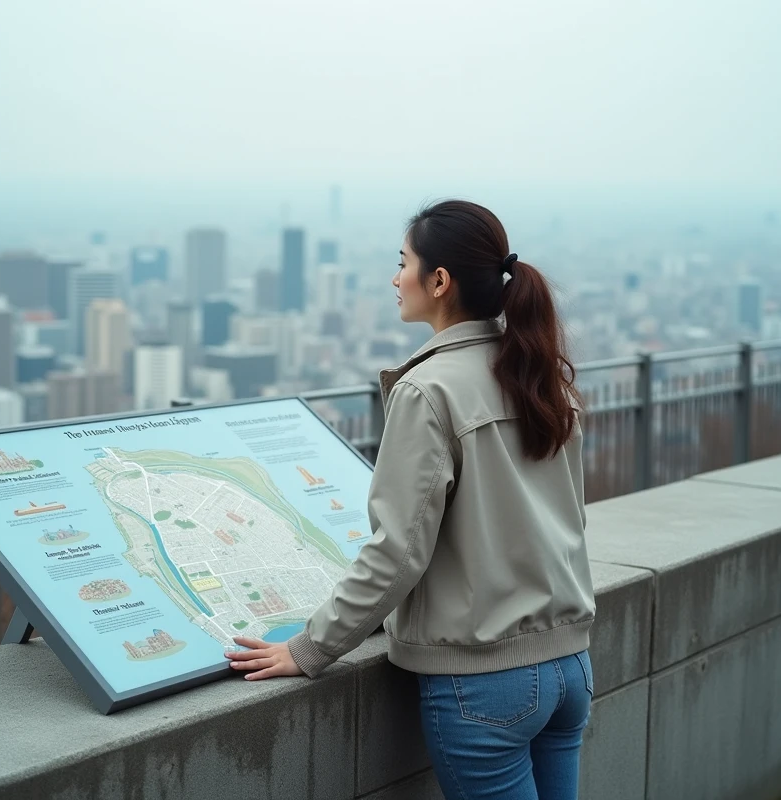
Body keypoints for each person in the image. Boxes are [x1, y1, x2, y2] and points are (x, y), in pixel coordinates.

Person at [225, 200, 595, 800]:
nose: (395, 279)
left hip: (485, 681)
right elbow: (568, 519)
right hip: (569, 665)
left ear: (439, 281)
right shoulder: (539, 372)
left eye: (403, 264)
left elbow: (398, 550)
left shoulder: (429, 390)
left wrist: (311, 647)